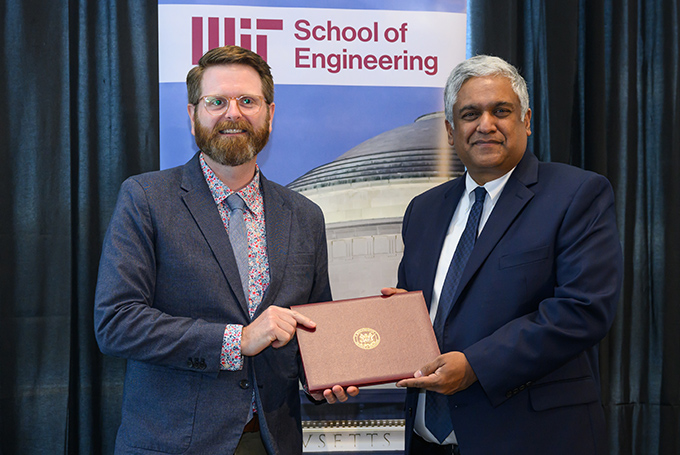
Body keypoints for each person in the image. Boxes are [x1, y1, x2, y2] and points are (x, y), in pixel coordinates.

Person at [94, 45, 356, 455]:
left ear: (270, 114)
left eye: (248, 101)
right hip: (174, 443)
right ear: (193, 114)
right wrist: (237, 340)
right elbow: (117, 323)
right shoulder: (146, 198)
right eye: (216, 101)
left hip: (271, 440)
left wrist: (326, 376)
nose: (232, 113)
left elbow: (312, 326)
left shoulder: (305, 215)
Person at [381, 55, 623, 455]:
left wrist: (476, 365)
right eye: (470, 113)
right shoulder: (423, 211)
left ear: (526, 120)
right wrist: (383, 335)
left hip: (532, 439)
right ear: (450, 130)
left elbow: (583, 309)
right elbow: (416, 313)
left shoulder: (577, 194)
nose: (485, 125)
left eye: (501, 111)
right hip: (428, 441)